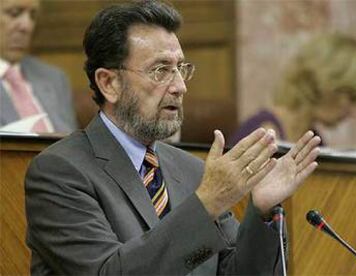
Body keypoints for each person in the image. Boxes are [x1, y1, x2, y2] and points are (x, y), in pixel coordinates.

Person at [24, 1, 321, 275]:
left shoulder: (192, 171)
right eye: (161, 70)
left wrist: (263, 212)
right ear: (109, 83)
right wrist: (206, 203)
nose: (180, 86)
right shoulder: (59, 172)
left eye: (180, 69)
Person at [230, 33, 356, 146]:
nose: (352, 112)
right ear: (327, 84)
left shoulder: (312, 139)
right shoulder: (264, 133)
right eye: (352, 96)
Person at [0, 0, 77, 133]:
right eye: (14, 13)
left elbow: (74, 142)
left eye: (33, 16)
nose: (27, 26)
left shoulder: (55, 78)